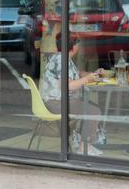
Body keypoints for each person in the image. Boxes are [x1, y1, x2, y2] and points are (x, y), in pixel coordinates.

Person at [39, 21, 107, 155]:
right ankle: (84, 146)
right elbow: (68, 86)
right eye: (78, 43)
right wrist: (87, 79)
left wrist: (90, 74)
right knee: (93, 111)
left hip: (57, 100)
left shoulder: (61, 58)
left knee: (91, 106)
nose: (79, 46)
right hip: (56, 102)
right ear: (73, 46)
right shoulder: (61, 60)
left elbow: (75, 73)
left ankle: (82, 141)